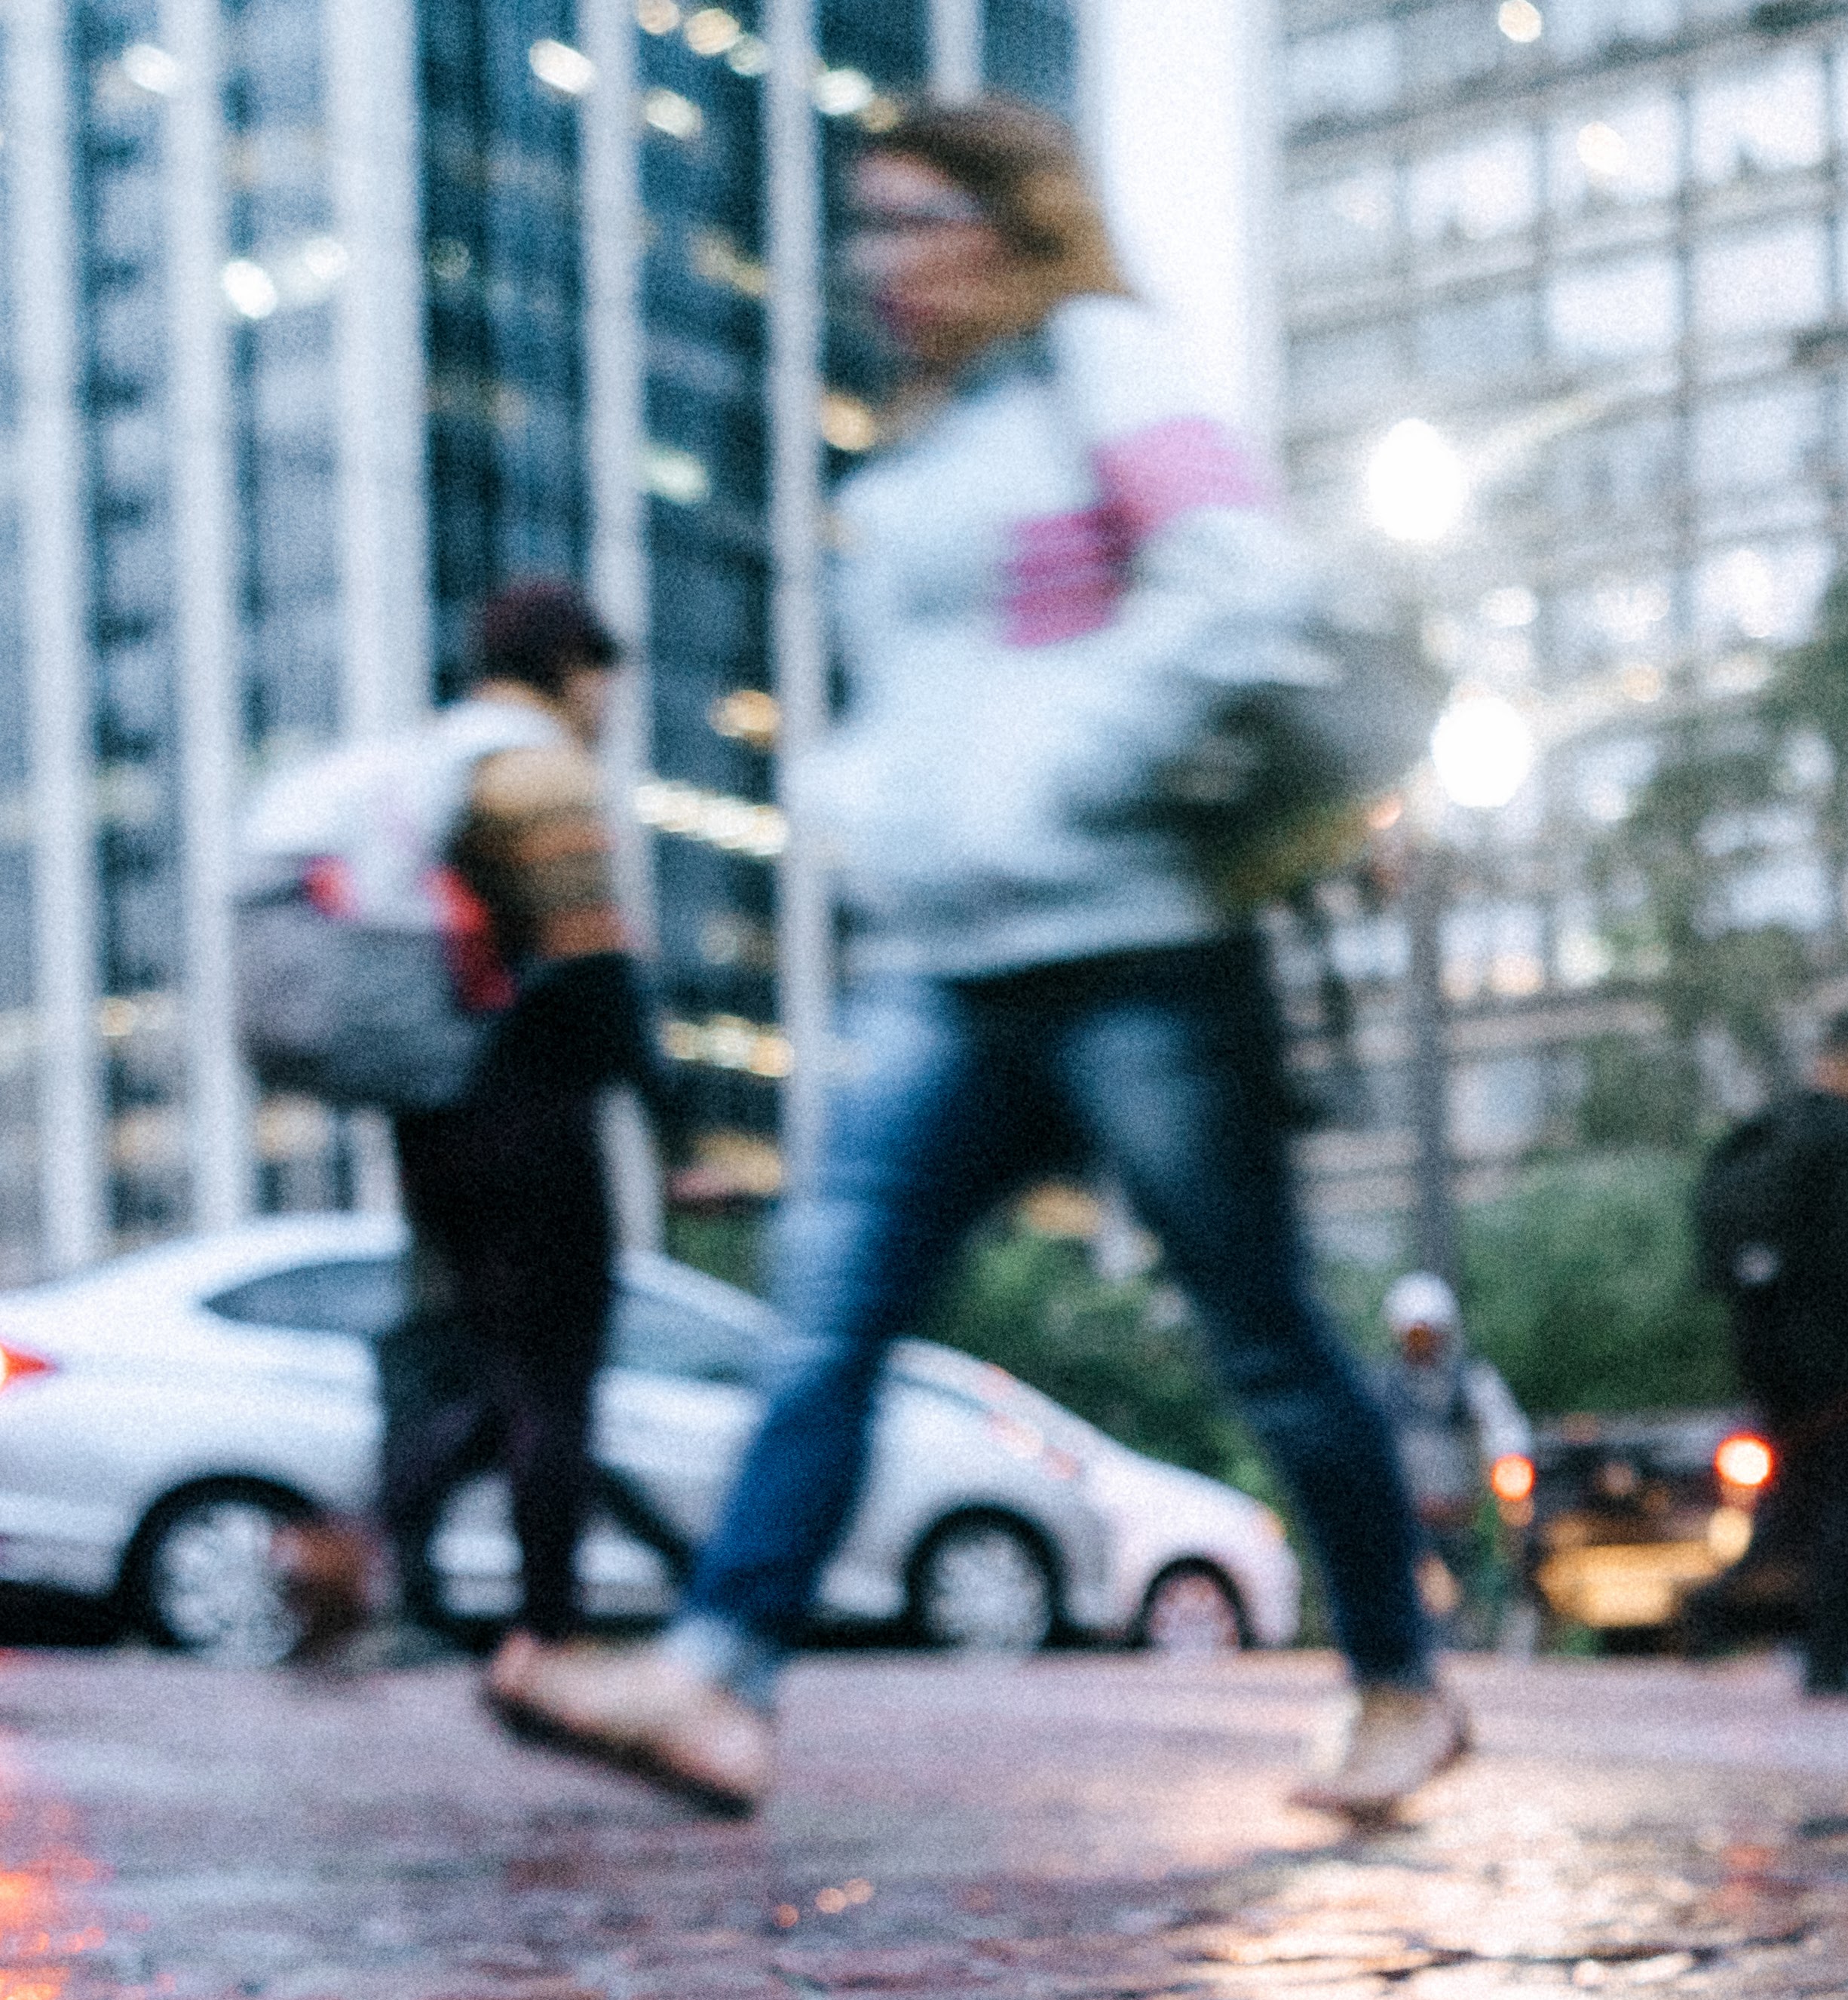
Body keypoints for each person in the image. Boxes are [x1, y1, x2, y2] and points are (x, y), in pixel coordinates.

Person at [494, 97, 1458, 1821]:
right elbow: (929, 699)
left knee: (1263, 1339)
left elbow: (1239, 580)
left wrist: (1060, 785)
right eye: (861, 230)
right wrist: (873, 805)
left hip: (1136, 946)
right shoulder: (931, 443)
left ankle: (1401, 1681)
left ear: (1011, 226)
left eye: (914, 219)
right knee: (830, 1316)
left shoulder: (1106, 366)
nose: (880, 264)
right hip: (949, 962)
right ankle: (720, 1676)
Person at [259, 579, 668, 1695]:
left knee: (491, 1374)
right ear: (574, 668)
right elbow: (595, 964)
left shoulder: (431, 763)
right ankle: (548, 1635)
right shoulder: (536, 770)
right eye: (602, 679)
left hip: (434, 1116)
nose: (606, 705)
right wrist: (675, 1136)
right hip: (530, 1112)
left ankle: (351, 1543)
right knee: (555, 1380)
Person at [1703, 1014, 1848, 1701]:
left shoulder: (1768, 1132)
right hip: (1834, 1361)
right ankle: (1830, 1661)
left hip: (1764, 1350)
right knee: (1847, 1502)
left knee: (1793, 1501)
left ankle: (1713, 1613)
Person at [1373, 1271, 1531, 1650]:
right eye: (1414, 1334)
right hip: (1407, 1522)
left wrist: (1508, 1468)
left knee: (1470, 1605)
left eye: (1429, 1333)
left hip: (1462, 1520)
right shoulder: (1382, 1389)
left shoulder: (1471, 1382)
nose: (1422, 1343)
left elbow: (1506, 1431)